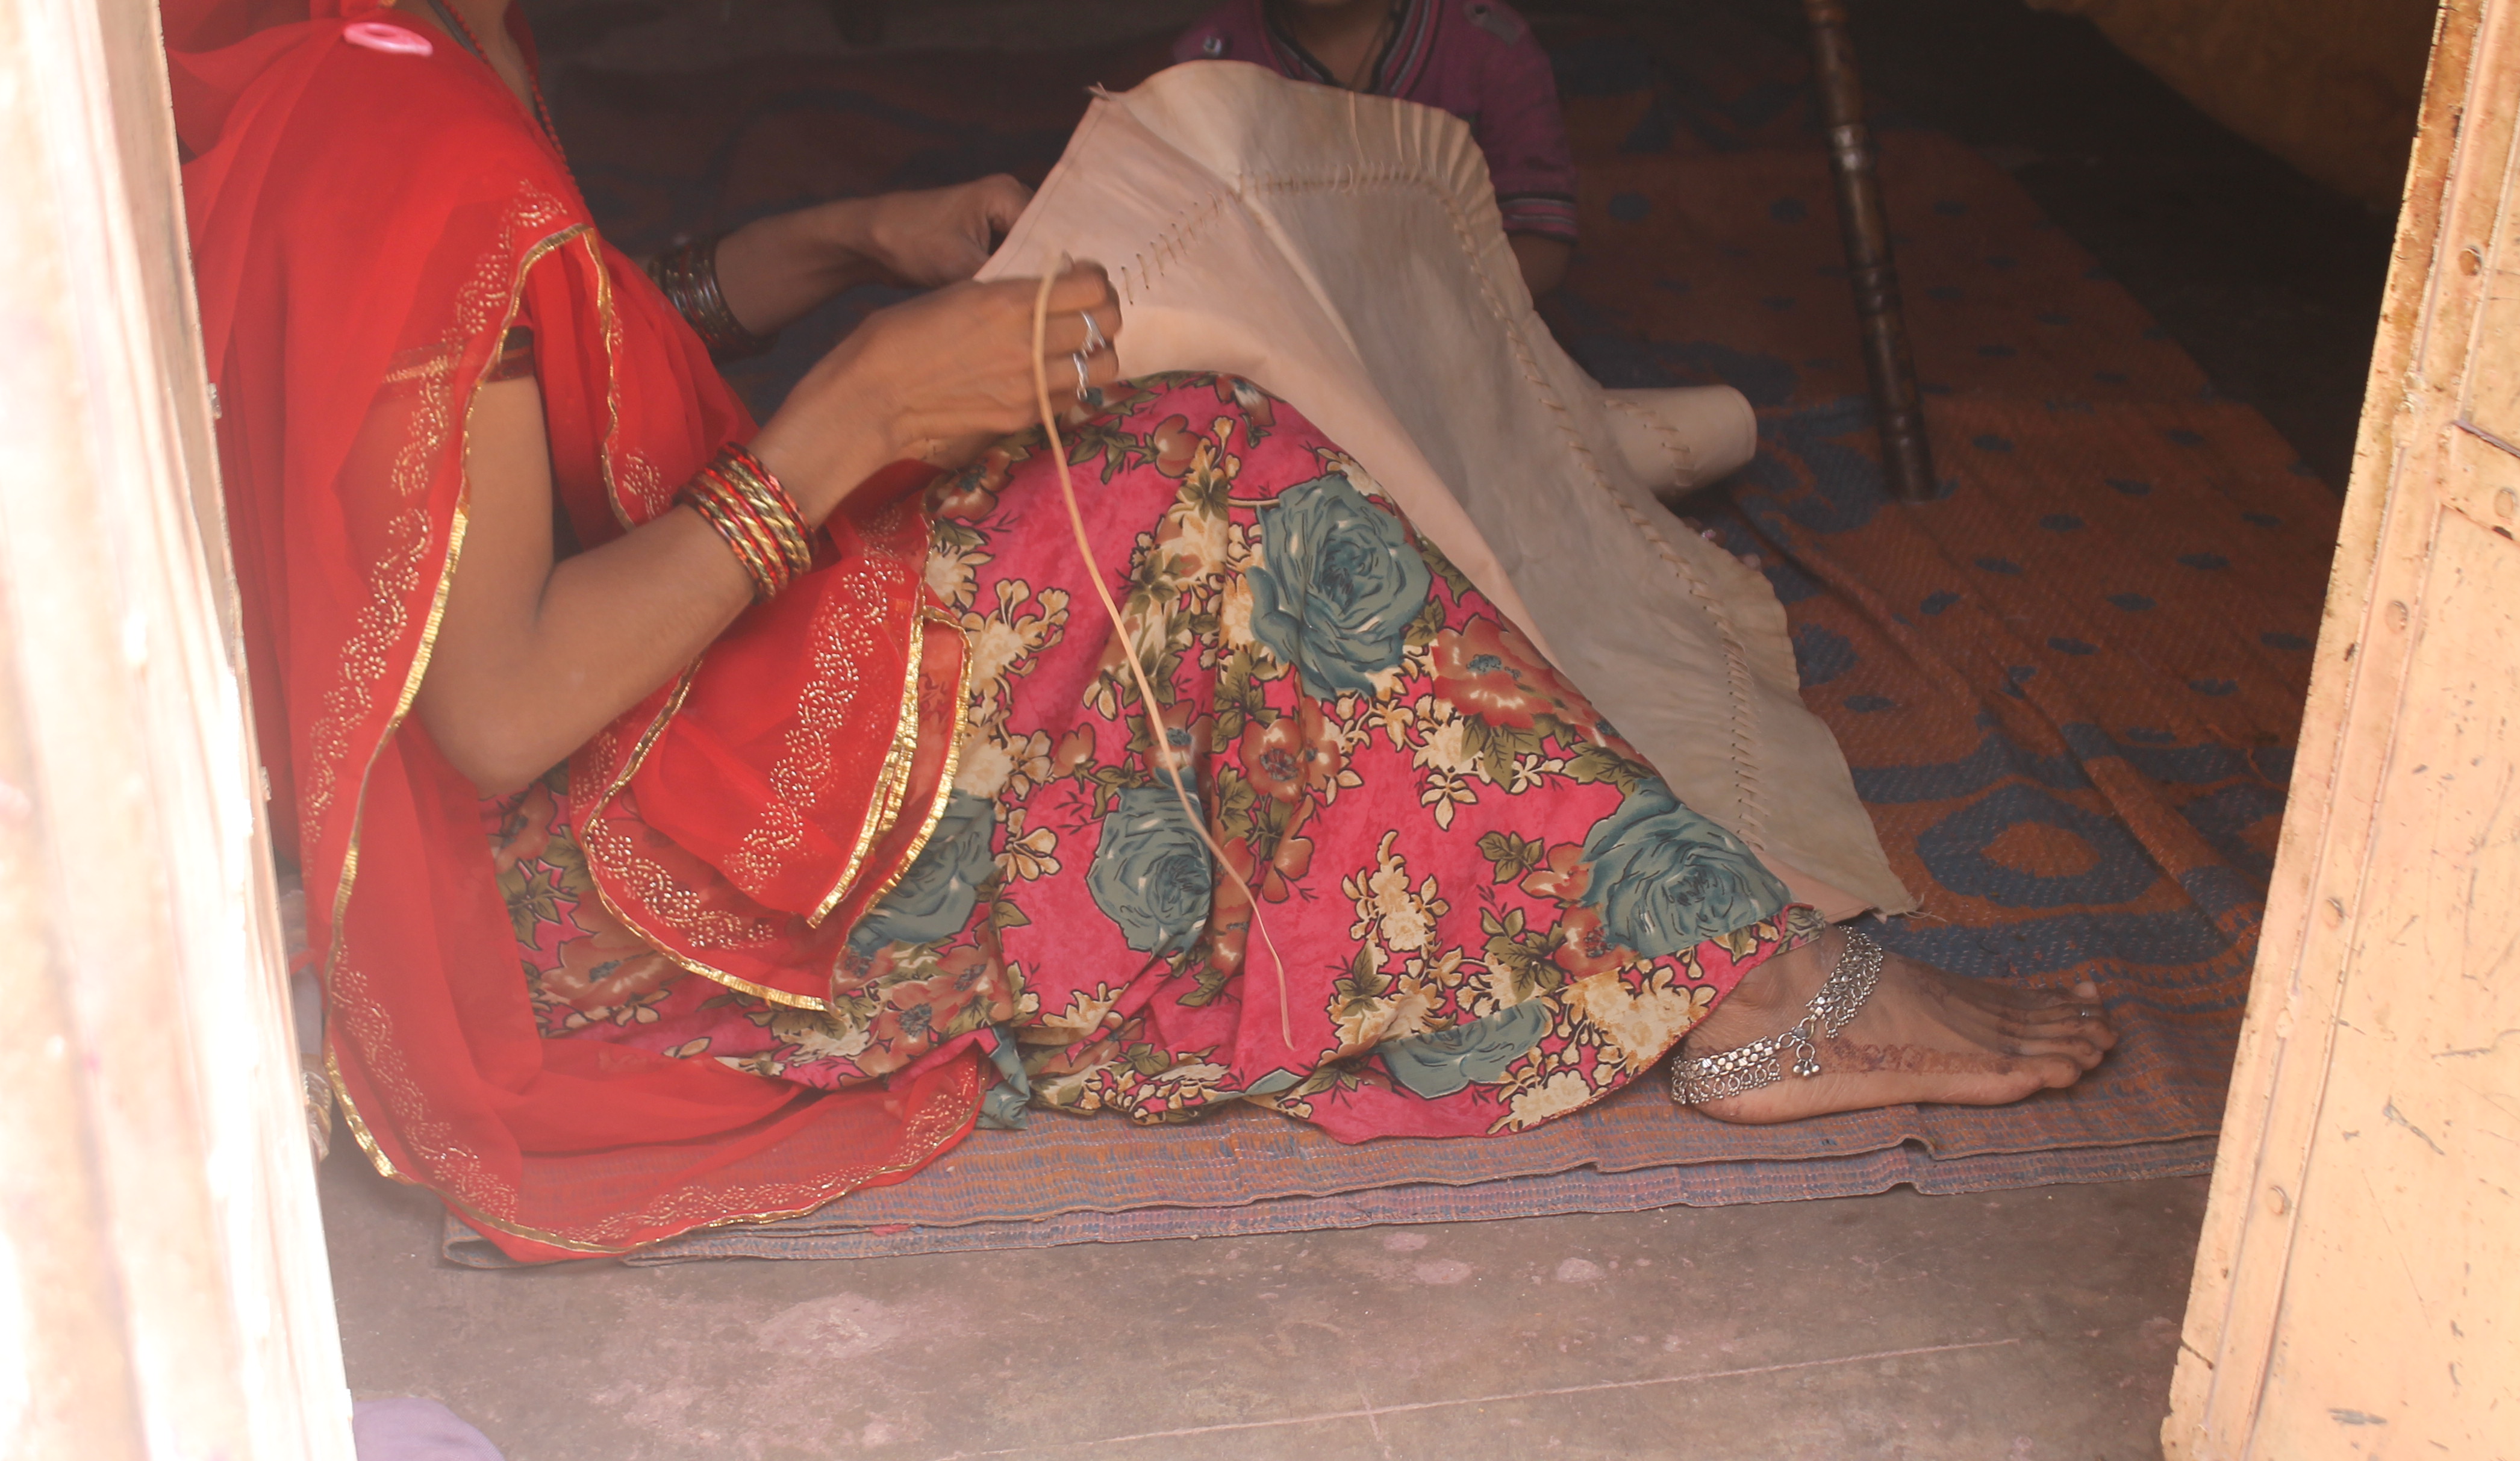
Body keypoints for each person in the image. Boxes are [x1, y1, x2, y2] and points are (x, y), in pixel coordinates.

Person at [169, 0, 2115, 1263]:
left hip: (547, 806)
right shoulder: (400, 115)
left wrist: (843, 239)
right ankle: (1744, 982)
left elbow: (505, 401)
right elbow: (493, 707)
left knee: (1156, 468)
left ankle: (1627, 925)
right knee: (1201, 474)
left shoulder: (305, 52)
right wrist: (854, 409)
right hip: (582, 907)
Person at [1173, 0, 1579, 296]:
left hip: (1464, 337)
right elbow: (1192, 254)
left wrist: (1433, 318)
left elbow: (1540, 237)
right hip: (1289, 346)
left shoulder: (1487, 46)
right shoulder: (1209, 65)